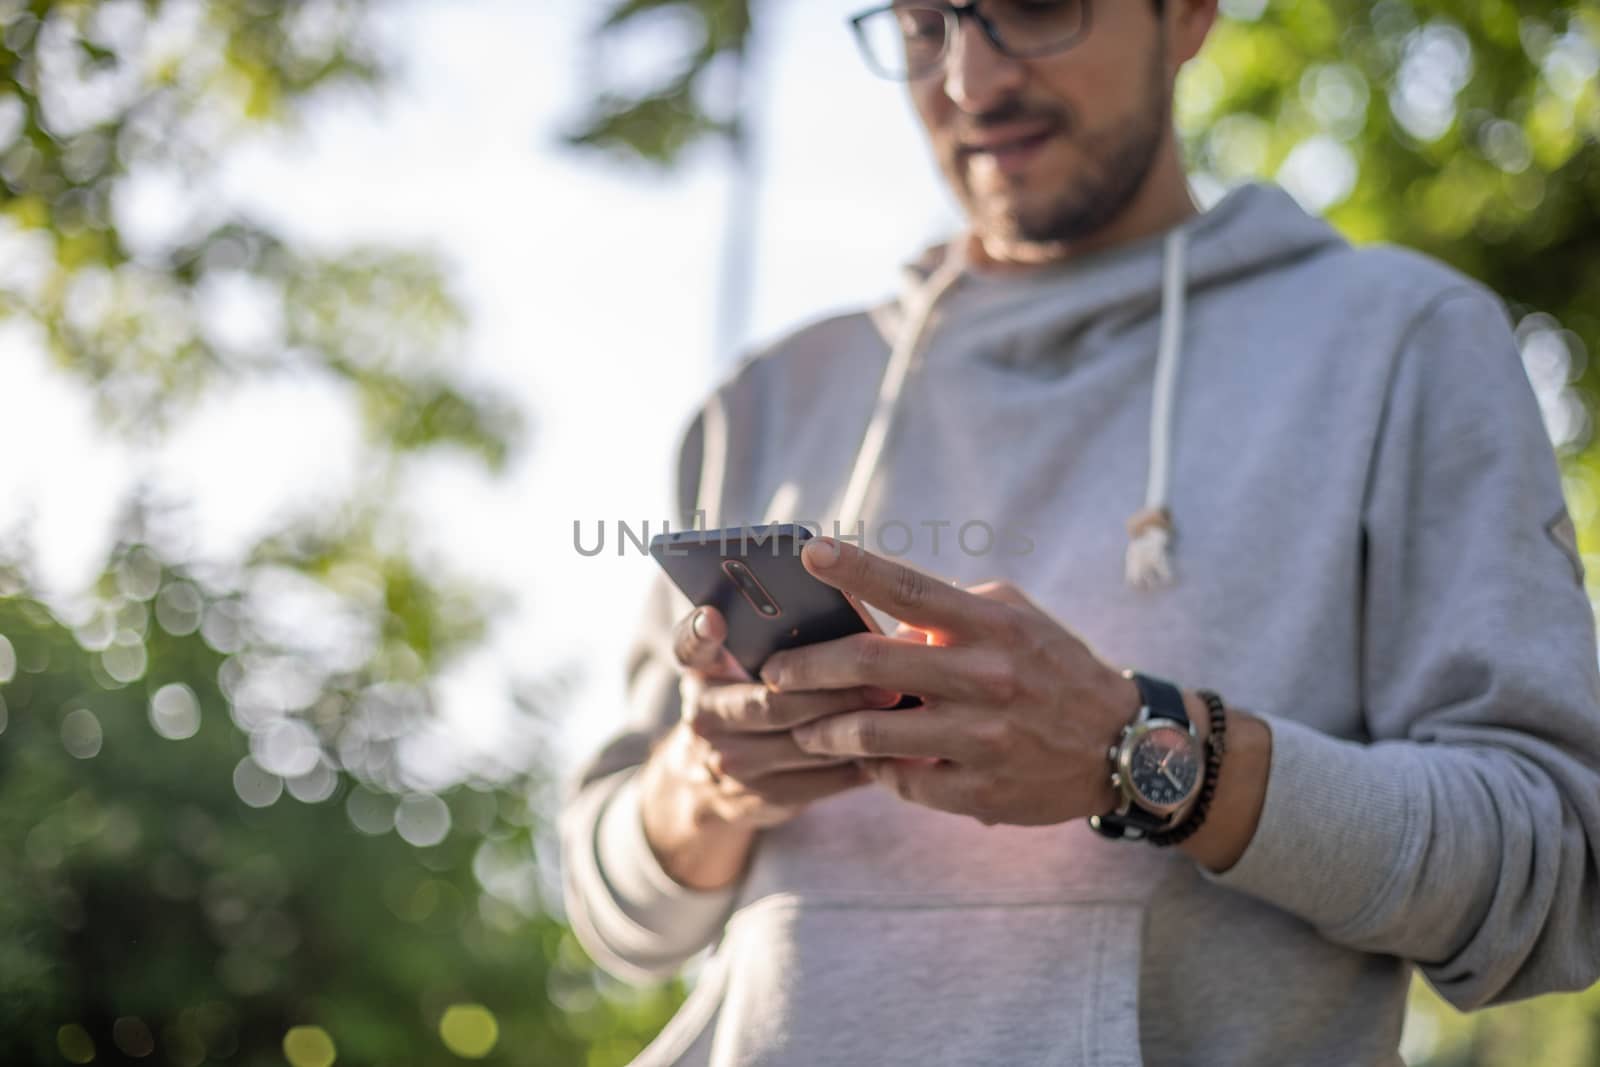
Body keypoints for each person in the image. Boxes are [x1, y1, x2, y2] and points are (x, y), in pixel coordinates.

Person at [558, 1, 1600, 1063]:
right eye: (924, 24)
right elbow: (616, 913)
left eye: (1035, 8)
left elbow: (1554, 878)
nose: (968, 81)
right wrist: (703, 785)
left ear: (1186, 16)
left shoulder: (1404, 344)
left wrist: (1144, 747)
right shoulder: (765, 401)